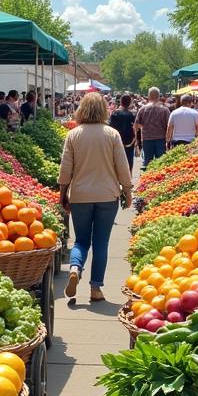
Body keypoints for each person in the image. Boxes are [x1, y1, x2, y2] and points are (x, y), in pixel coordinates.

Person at [58, 92, 132, 303]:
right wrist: (127, 191)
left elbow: (66, 169)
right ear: (104, 110)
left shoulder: (73, 135)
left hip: (80, 195)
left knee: (81, 240)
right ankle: (95, 289)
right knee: (101, 243)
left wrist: (63, 193)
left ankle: (74, 268)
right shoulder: (112, 134)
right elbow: (122, 167)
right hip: (108, 195)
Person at [134, 87, 170, 167]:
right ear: (159, 96)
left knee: (147, 162)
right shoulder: (165, 110)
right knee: (161, 163)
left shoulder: (142, 109)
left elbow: (136, 125)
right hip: (161, 139)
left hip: (147, 139)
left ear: (149, 96)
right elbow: (169, 125)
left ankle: (147, 178)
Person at [109, 93, 137, 171]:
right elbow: (134, 129)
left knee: (115, 164)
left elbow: (110, 128)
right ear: (130, 103)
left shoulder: (115, 114)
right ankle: (128, 180)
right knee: (128, 163)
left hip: (116, 142)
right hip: (129, 143)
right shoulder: (131, 115)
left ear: (121, 102)